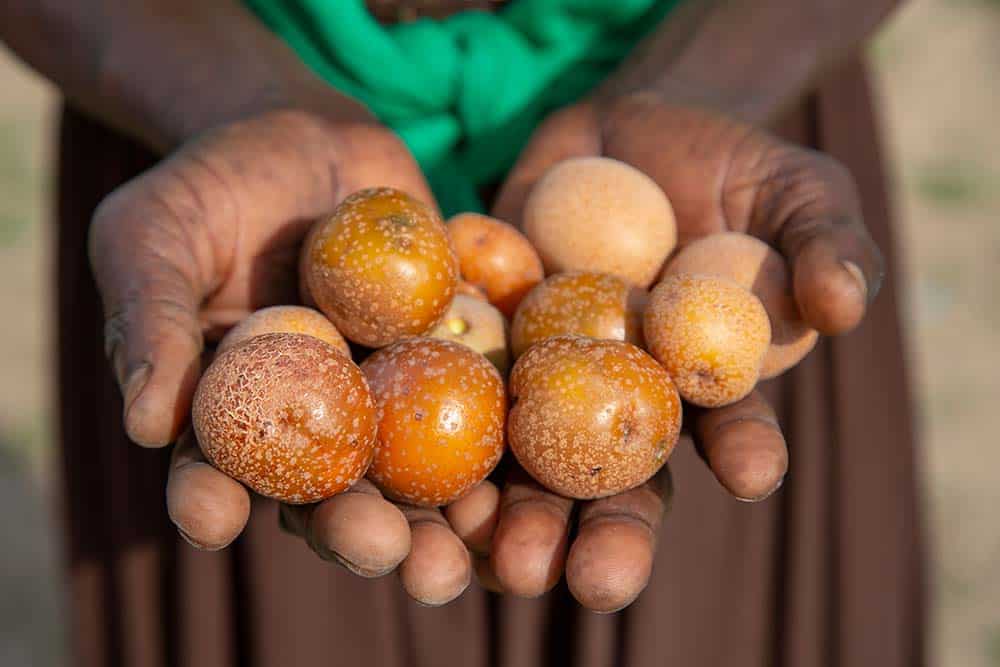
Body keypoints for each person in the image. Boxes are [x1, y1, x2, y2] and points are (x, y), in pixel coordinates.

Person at [2, 1, 923, 665]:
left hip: (725, 92)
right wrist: (238, 99)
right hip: (199, 112)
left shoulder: (679, 300)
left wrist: (701, 83)